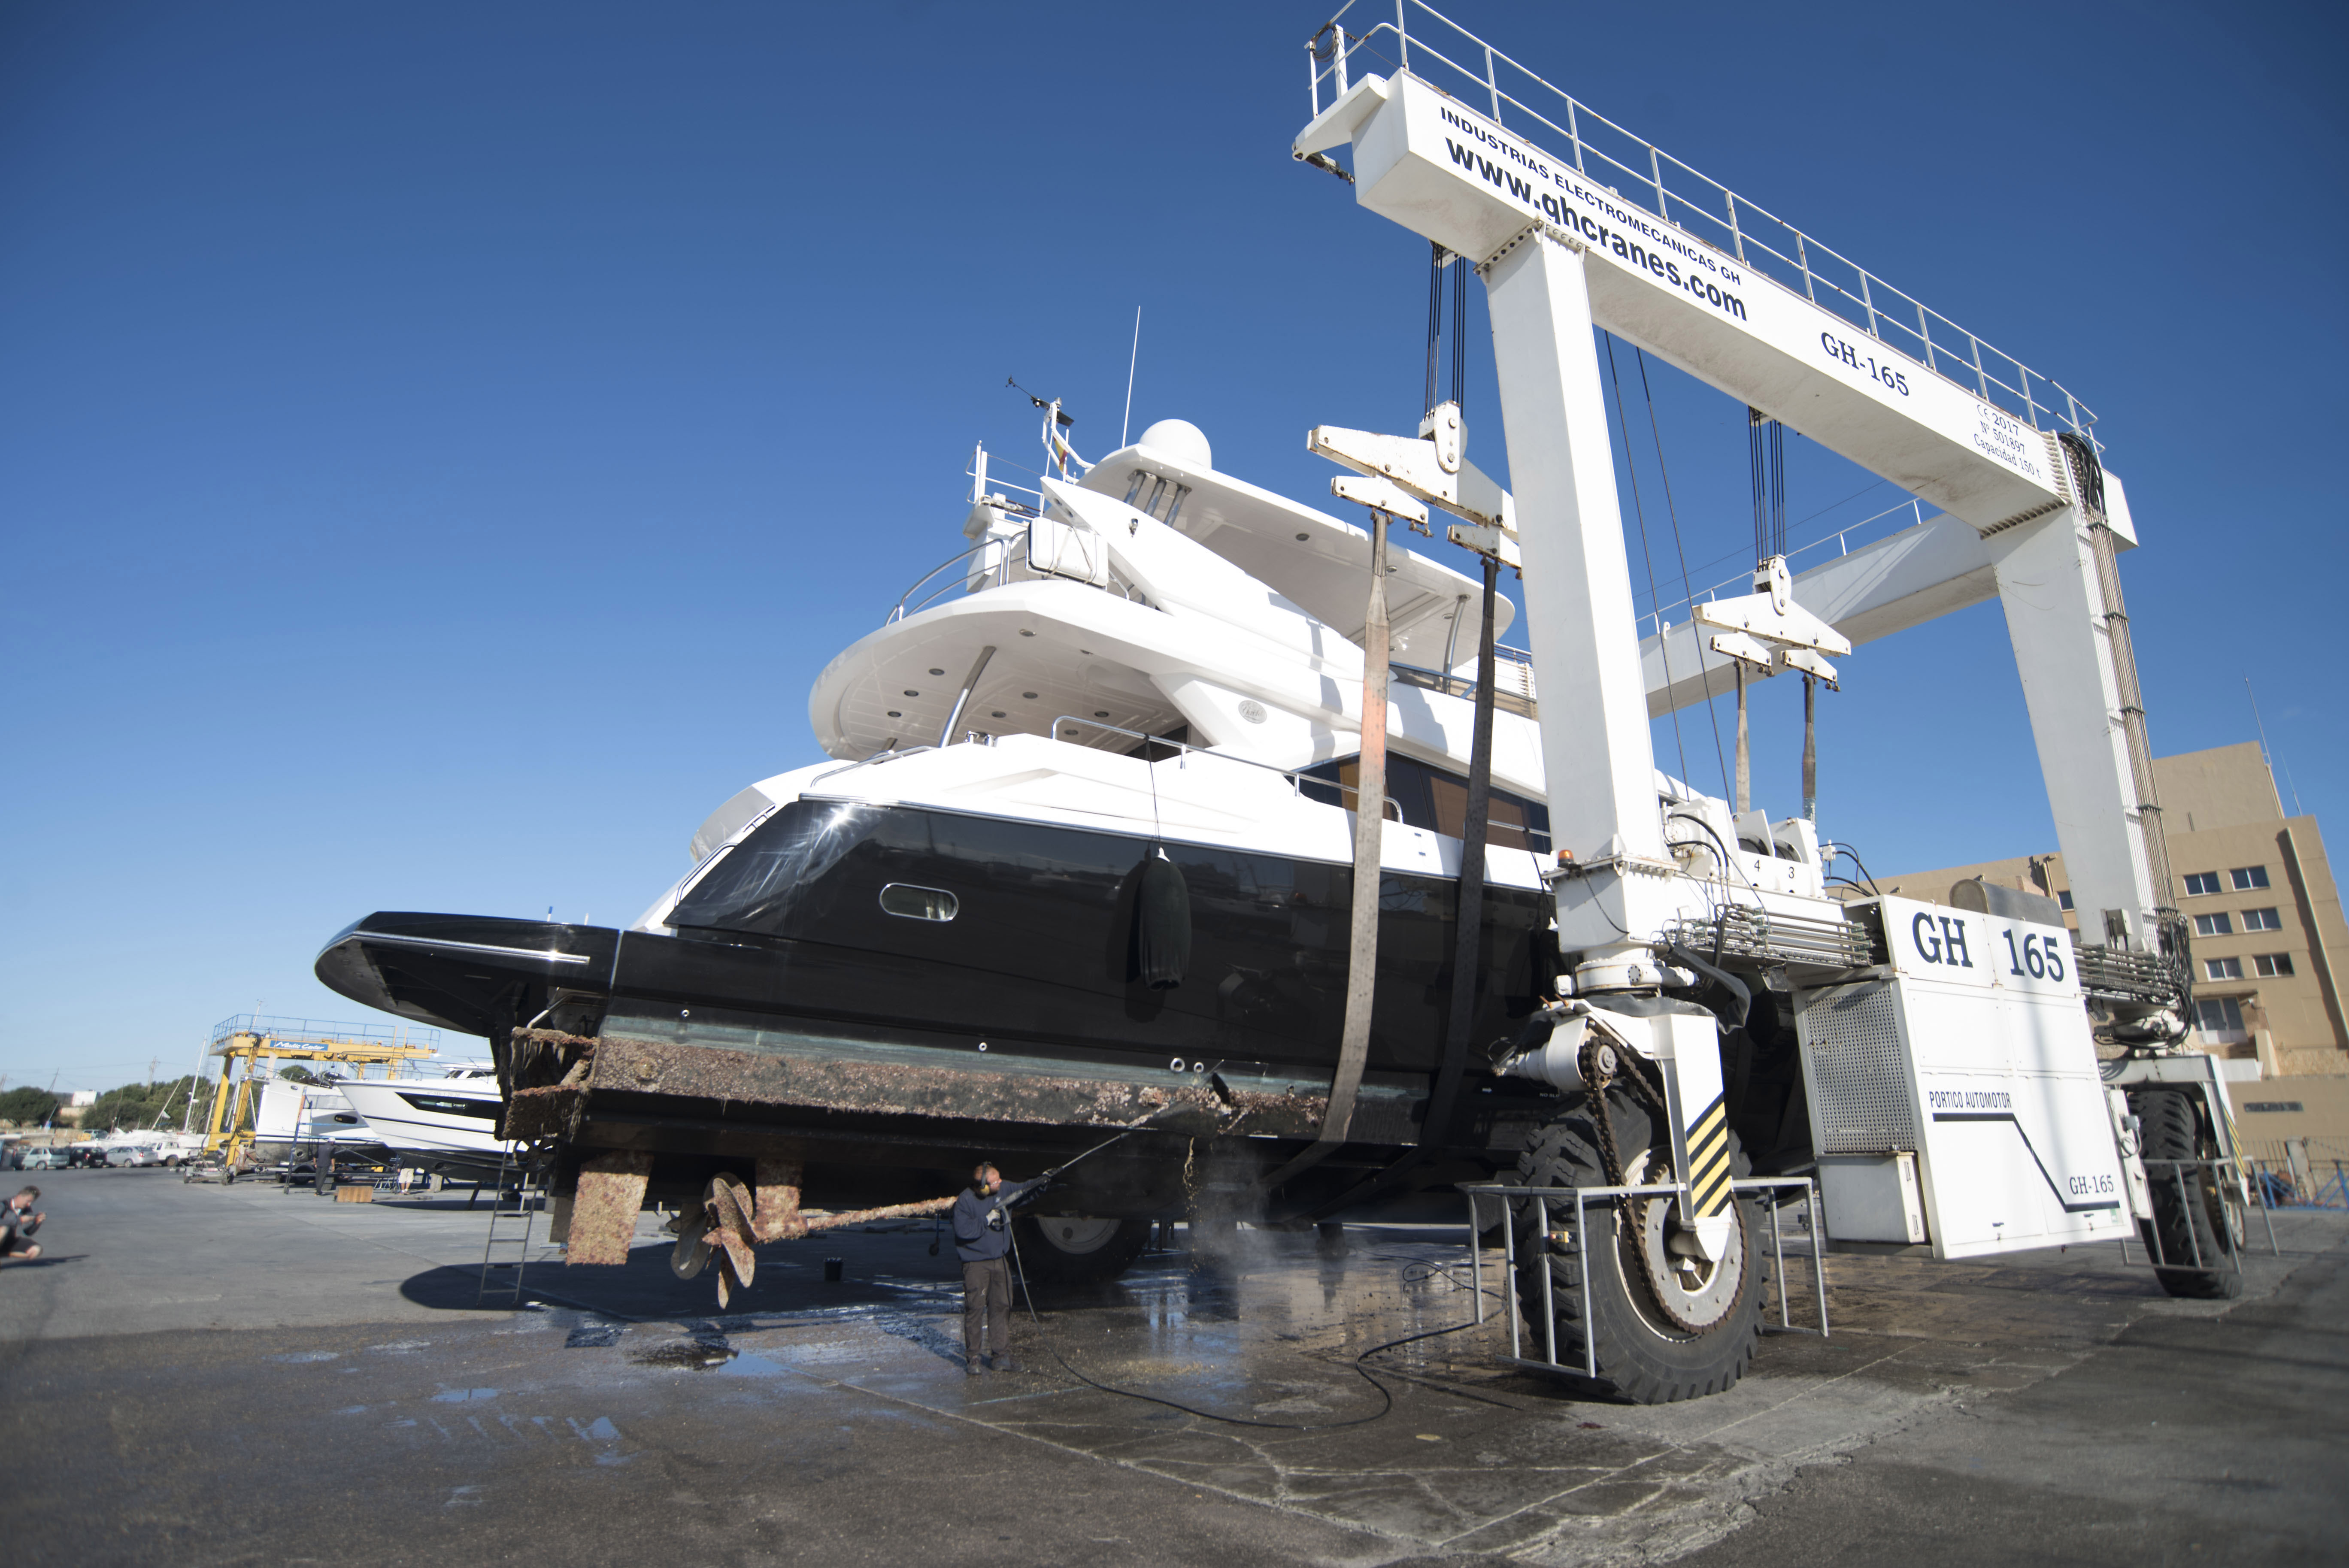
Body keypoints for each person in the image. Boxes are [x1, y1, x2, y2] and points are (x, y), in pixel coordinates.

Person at [952, 1162, 1047, 1375]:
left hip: (999, 1261)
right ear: (984, 1187)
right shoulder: (965, 1202)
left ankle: (1001, 1357)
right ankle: (974, 1358)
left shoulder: (1002, 1189)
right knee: (975, 1309)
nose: (1001, 1182)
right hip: (975, 1264)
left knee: (1001, 1306)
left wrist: (1042, 1182)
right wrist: (986, 1221)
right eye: (996, 1181)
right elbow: (963, 1232)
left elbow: (1024, 1190)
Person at [2, 1187, 45, 1265]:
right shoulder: (3, 1205)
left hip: (8, 1241)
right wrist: (20, 1220)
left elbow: (28, 1233)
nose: (29, 1205)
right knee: (3, 1229)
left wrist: (37, 1223)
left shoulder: (26, 1209)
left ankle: (3, 1253)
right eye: (28, 1201)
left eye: (32, 1202)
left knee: (37, 1250)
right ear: (20, 1197)